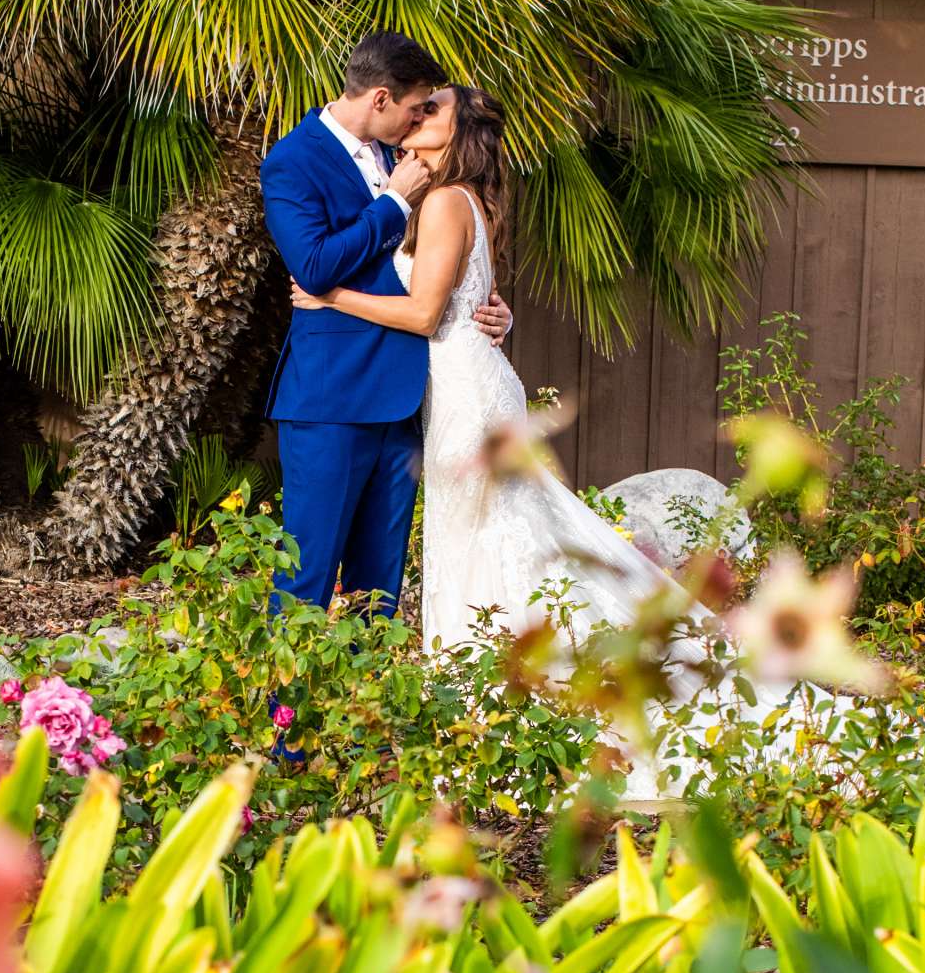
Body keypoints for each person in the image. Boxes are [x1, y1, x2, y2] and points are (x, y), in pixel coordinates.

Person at [289, 83, 684, 653]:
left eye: (434, 108)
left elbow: (427, 313)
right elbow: (474, 297)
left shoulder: (448, 200)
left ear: (461, 131)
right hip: (469, 382)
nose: (419, 112)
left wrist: (328, 296)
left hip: (466, 394)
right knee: (495, 533)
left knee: (481, 537)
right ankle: (508, 661)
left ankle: (496, 672)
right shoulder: (455, 197)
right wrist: (503, 318)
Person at [260, 33, 511, 618]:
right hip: (331, 400)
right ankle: (275, 711)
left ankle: (366, 708)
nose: (421, 117)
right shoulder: (292, 161)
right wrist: (393, 203)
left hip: (406, 401)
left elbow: (444, 270)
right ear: (379, 99)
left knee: (379, 589)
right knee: (307, 573)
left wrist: (490, 314)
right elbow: (315, 267)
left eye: (430, 109)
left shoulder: (412, 163)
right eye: (416, 106)